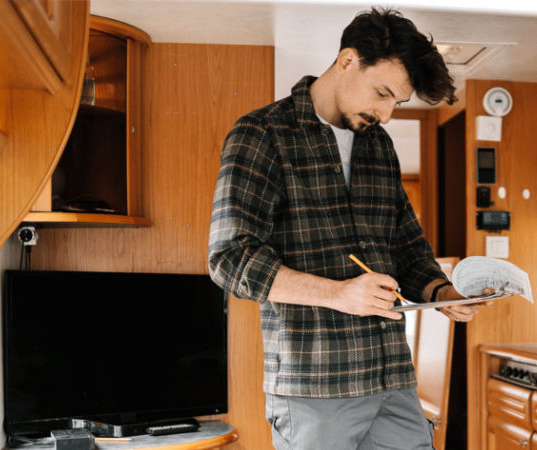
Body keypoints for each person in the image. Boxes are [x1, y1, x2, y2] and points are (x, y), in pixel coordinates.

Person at [208, 7, 489, 450]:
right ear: (347, 61)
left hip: (391, 377)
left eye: (397, 101)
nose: (387, 112)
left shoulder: (380, 146)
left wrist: (443, 294)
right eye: (382, 92)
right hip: (315, 386)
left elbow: (408, 249)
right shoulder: (262, 134)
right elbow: (230, 259)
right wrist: (339, 294)